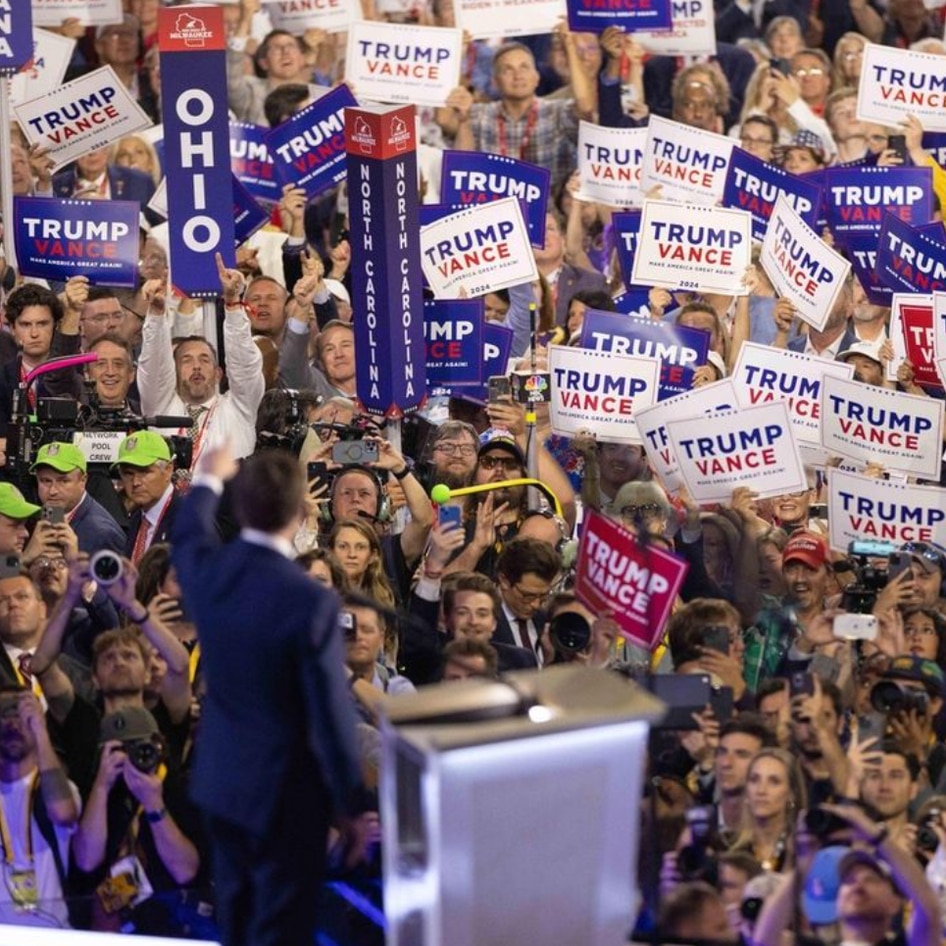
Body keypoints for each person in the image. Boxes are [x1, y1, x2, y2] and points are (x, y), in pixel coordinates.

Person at [171, 446, 364, 946]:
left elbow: (188, 533)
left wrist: (207, 481)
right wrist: (352, 804)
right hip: (288, 795)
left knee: (236, 920)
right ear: (301, 512)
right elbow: (331, 711)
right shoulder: (310, 599)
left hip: (222, 784)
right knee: (283, 927)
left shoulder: (211, 574)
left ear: (239, 508)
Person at [136, 256, 265, 463]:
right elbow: (154, 366)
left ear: (218, 373)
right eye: (186, 360)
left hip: (227, 495)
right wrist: (157, 313)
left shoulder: (240, 408)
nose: (196, 366)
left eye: (205, 360)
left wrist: (232, 303)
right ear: (173, 372)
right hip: (169, 495)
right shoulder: (160, 409)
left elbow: (244, 366)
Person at [0, 686, 79, 927]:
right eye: (3, 714)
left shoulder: (59, 789)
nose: (12, 724)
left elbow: (63, 812)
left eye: (20, 714)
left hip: (54, 933)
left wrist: (40, 731)